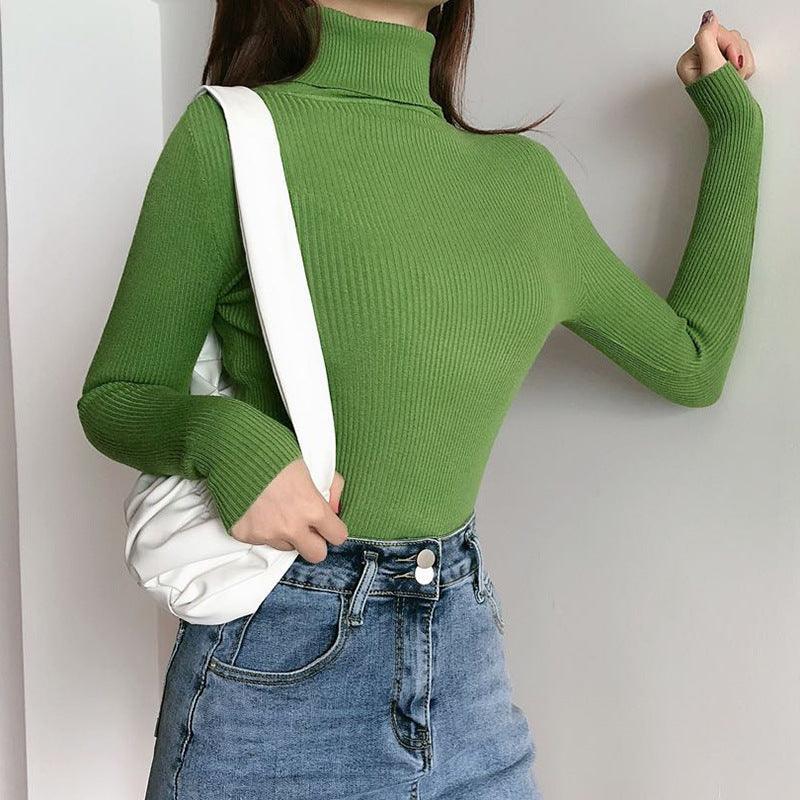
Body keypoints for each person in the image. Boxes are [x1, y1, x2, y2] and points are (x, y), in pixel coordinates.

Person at [76, 2, 763, 798]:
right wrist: (226, 440)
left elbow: (693, 362)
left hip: (466, 671)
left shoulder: (524, 185)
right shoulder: (227, 138)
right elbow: (116, 396)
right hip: (272, 673)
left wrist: (735, 125)